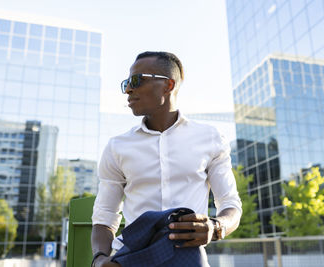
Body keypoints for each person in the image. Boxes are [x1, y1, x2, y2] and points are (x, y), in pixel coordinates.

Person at [91, 51, 242, 267]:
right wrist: (99, 259)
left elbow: (230, 204)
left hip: (188, 258)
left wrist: (216, 227)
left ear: (168, 85)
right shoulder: (117, 146)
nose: (128, 89)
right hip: (130, 258)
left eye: (136, 80)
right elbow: (105, 215)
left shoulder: (211, 138)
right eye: (126, 82)